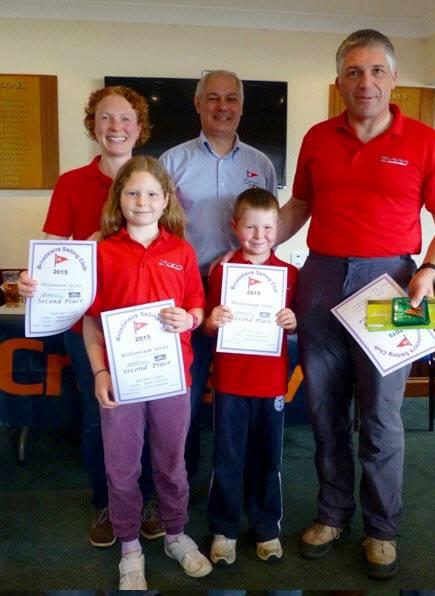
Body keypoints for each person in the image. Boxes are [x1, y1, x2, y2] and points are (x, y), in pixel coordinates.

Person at [276, 29, 435, 579]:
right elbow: (300, 206)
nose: (366, 82)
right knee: (323, 411)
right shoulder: (317, 137)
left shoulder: (428, 143)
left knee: (380, 417)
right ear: (339, 82)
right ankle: (333, 515)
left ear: (393, 78)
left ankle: (382, 529)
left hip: (390, 286)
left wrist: (429, 270)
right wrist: (253, 246)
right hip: (320, 279)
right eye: (354, 72)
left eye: (377, 71)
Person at [18, 86, 163, 547]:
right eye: (105, 118)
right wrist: (31, 282)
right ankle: (106, 502)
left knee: (151, 416)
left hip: (147, 321)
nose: (115, 127)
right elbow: (52, 251)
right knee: (99, 414)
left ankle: (147, 501)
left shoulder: (157, 180)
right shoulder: (72, 183)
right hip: (91, 324)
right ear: (93, 126)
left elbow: (173, 245)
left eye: (124, 119)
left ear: (139, 128)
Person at [83, 155, 212, 589]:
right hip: (120, 380)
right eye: (133, 192)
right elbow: (91, 320)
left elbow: (196, 304)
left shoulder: (181, 250)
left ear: (166, 201)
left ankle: (175, 534)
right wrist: (100, 372)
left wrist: (190, 319)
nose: (142, 201)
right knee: (120, 467)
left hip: (172, 379)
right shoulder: (101, 251)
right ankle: (129, 546)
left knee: (172, 464)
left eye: (152, 193)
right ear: (119, 199)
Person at [160, 69, 277, 479]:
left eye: (231, 99)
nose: (222, 106)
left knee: (237, 397)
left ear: (242, 107)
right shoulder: (171, 161)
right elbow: (156, 231)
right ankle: (180, 485)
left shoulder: (260, 164)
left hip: (240, 297)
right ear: (198, 104)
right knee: (185, 397)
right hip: (186, 293)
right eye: (213, 98)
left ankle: (236, 483)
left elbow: (268, 228)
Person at [204, 188, 297, 565]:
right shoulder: (221, 272)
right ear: (235, 227)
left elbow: (294, 324)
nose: (259, 236)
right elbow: (208, 325)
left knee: (267, 458)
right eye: (251, 227)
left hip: (270, 384)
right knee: (227, 455)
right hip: (229, 382)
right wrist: (212, 321)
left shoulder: (290, 274)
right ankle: (224, 529)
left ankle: (266, 527)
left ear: (277, 229)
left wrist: (293, 322)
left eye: (268, 228)